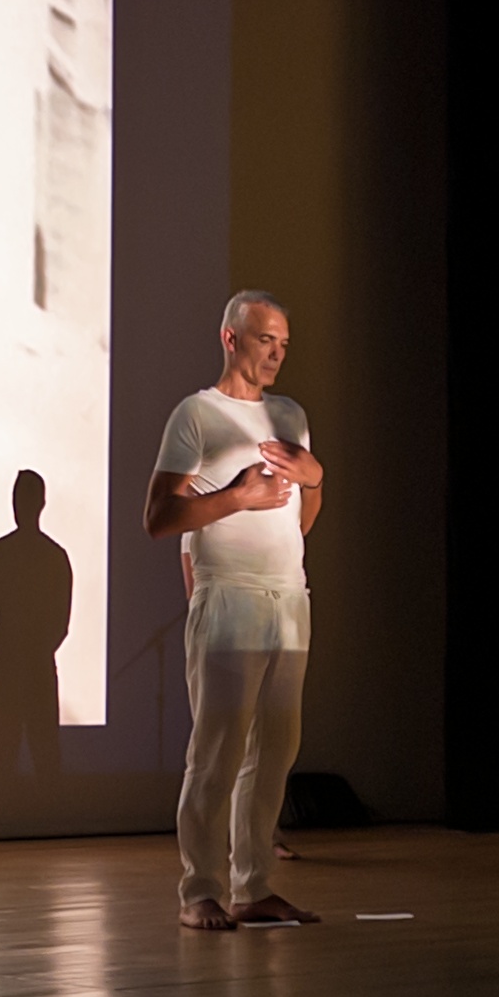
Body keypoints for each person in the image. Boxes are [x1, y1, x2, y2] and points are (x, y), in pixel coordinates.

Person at [148, 291, 322, 932]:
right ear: (231, 338)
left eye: (283, 342)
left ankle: (255, 886)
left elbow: (301, 521)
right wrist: (235, 497)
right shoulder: (196, 415)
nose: (275, 352)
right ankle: (201, 891)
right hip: (228, 595)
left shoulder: (290, 415)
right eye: (264, 340)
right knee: (217, 750)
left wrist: (316, 478)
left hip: (289, 595)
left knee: (276, 750)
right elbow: (159, 518)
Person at [0, 469, 74, 780]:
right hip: (36, 665)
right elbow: (62, 624)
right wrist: (35, 651)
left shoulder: (0, 552)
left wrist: (6, 652)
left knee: (8, 758)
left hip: (13, 665)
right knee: (42, 754)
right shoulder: (55, 556)